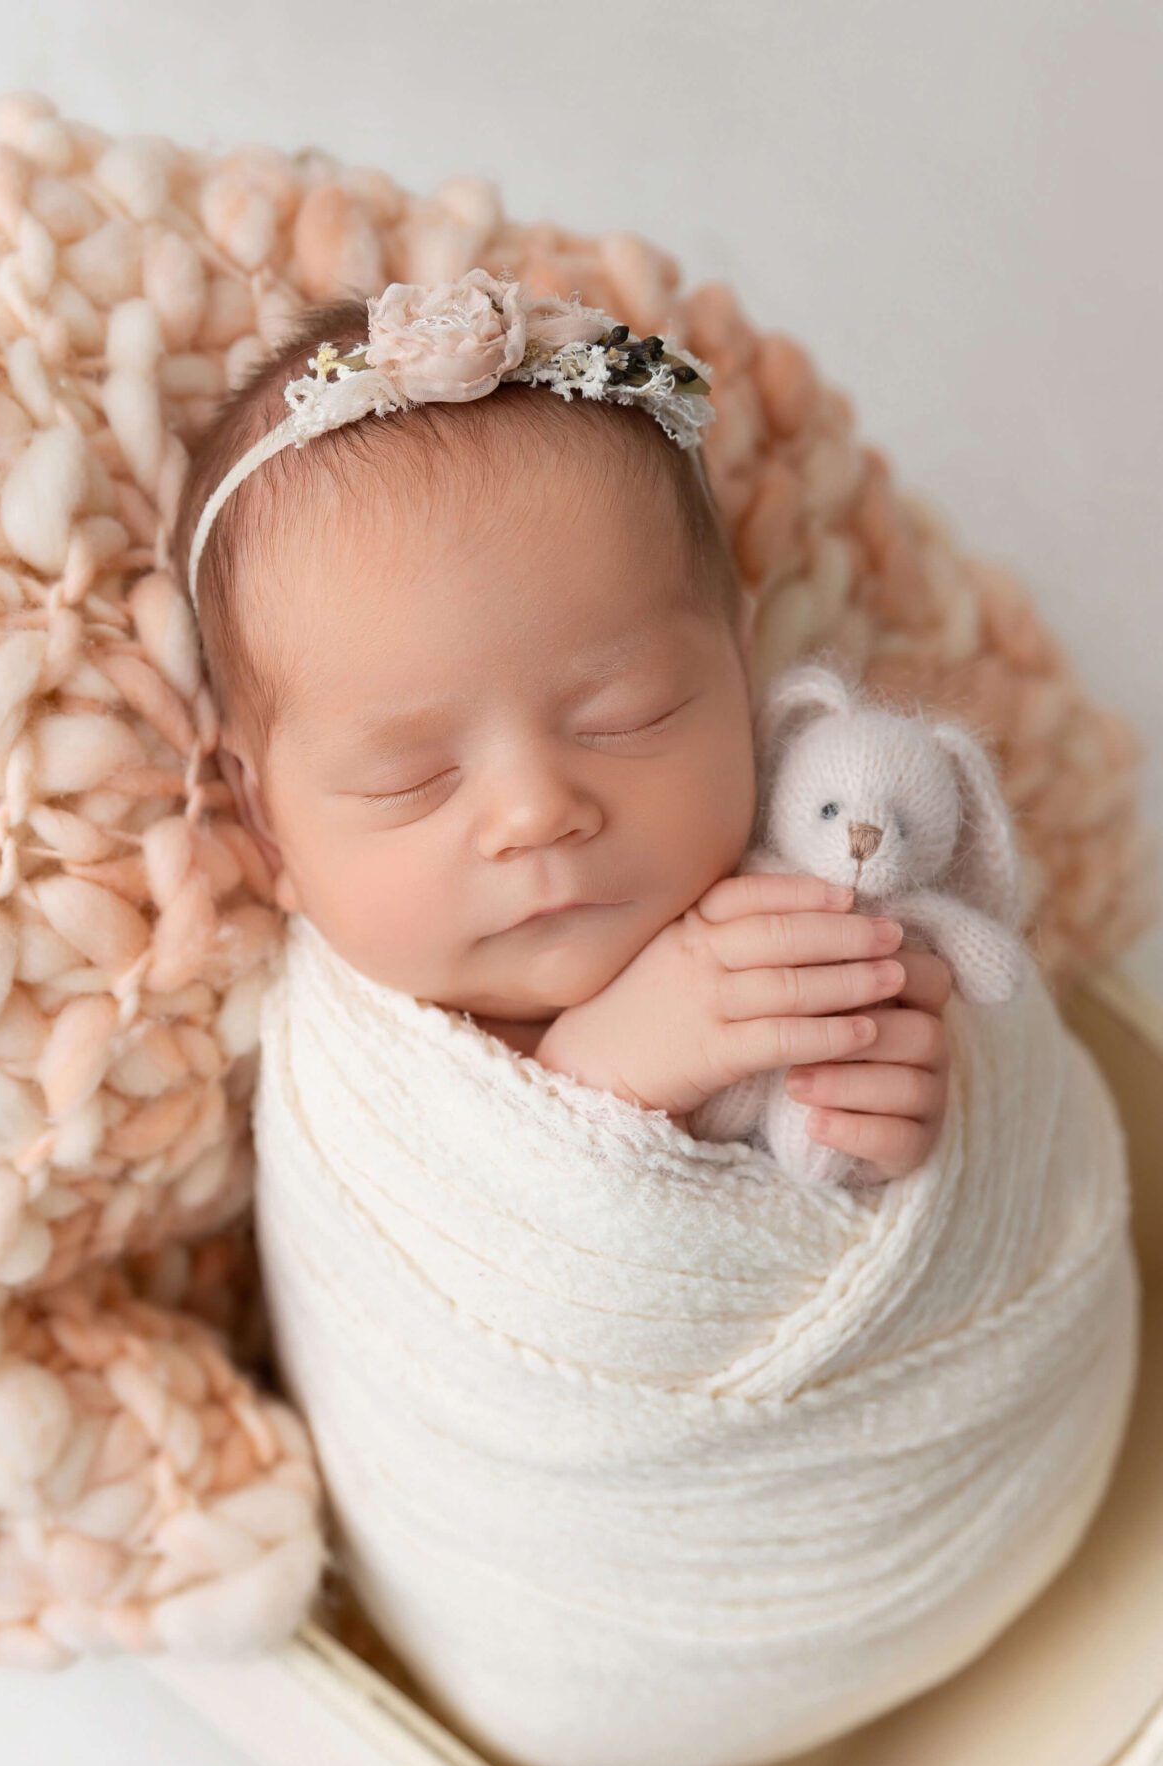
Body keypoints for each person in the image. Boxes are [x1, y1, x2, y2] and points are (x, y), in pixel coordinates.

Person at [173, 272, 956, 1180]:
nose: (537, 811)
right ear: (265, 816)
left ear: (742, 669)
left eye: (628, 717)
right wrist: (602, 1081)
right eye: (410, 778)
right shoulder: (354, 1072)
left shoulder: (829, 862)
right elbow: (454, 1273)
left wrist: (886, 1099)